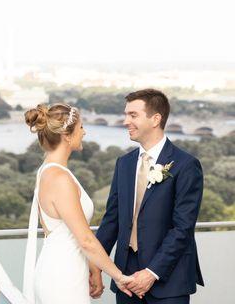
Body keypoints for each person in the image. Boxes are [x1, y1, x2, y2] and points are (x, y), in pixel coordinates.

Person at [91, 89, 205, 303]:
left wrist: (152, 272)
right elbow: (112, 220)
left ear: (155, 119)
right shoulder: (124, 163)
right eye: (126, 115)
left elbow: (182, 228)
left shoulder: (186, 165)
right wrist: (95, 265)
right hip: (125, 279)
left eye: (133, 115)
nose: (125, 121)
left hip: (168, 280)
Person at [22, 103, 134, 304]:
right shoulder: (59, 178)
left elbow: (76, 234)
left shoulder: (49, 170)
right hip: (63, 275)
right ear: (67, 135)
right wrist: (120, 277)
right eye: (81, 127)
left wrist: (93, 269)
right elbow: (86, 240)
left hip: (64, 268)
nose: (84, 132)